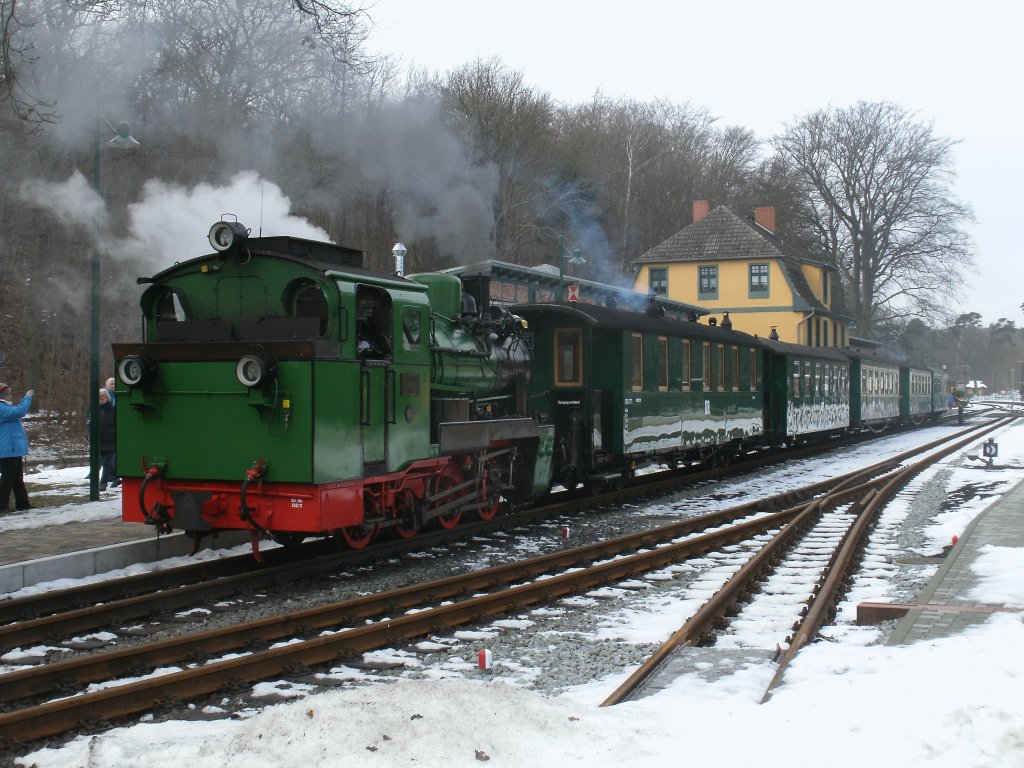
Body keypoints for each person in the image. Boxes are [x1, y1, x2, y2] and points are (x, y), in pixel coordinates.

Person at [0, 383, 35, 512]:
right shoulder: (2, 408)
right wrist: (27, 398)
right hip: (8, 448)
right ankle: (2, 505)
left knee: (16, 478)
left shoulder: (4, 407)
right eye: (9, 393)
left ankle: (22, 503)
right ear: (4, 395)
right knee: (8, 478)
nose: (11, 395)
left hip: (11, 448)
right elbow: (20, 411)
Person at [98, 388, 119, 491]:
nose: (101, 400)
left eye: (102, 398)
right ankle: (116, 477)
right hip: (98, 440)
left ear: (107, 398)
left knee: (106, 462)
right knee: (106, 461)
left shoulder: (113, 410)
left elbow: (117, 426)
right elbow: (90, 423)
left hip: (110, 441)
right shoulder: (95, 410)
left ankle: (103, 483)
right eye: (99, 398)